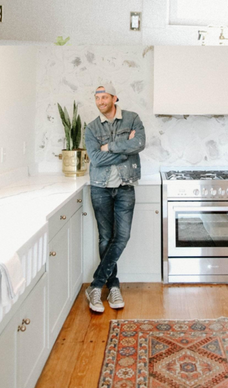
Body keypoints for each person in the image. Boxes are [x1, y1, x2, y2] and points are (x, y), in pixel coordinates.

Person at [83, 83, 145, 313]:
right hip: (100, 187)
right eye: (97, 97)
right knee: (105, 238)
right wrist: (123, 152)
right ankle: (113, 286)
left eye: (104, 97)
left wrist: (109, 146)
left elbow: (139, 143)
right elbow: (96, 160)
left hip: (125, 186)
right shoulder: (90, 129)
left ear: (114, 98)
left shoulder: (132, 118)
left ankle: (97, 285)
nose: (100, 101)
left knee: (122, 236)